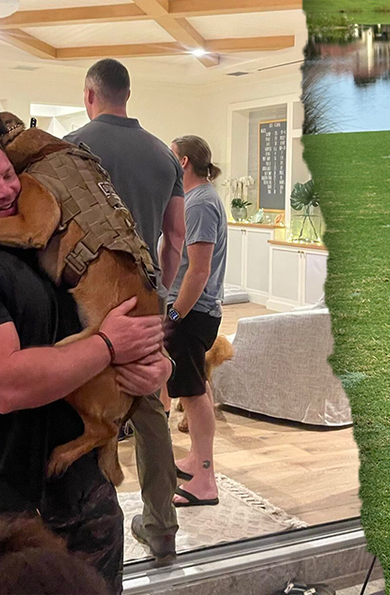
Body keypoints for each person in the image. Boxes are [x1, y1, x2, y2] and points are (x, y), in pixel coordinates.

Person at [0, 133, 170, 593]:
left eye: (8, 175)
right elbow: (7, 385)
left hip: (80, 488)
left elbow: (124, 314)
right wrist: (109, 348)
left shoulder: (46, 245)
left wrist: (156, 368)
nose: (5, 190)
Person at [66, 59, 184, 565]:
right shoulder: (164, 154)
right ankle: (161, 525)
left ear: (90, 94)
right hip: (144, 296)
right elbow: (176, 236)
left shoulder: (73, 146)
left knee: (81, 399)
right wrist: (162, 284)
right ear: (127, 96)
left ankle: (86, 516)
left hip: (85, 296)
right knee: (149, 405)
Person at [164, 135, 228, 507]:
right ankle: (197, 460)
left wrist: (174, 314)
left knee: (193, 393)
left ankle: (205, 480)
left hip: (192, 312)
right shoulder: (196, 199)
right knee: (197, 388)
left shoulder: (201, 202)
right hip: (191, 311)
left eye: (171, 157)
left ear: (184, 162)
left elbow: (198, 270)